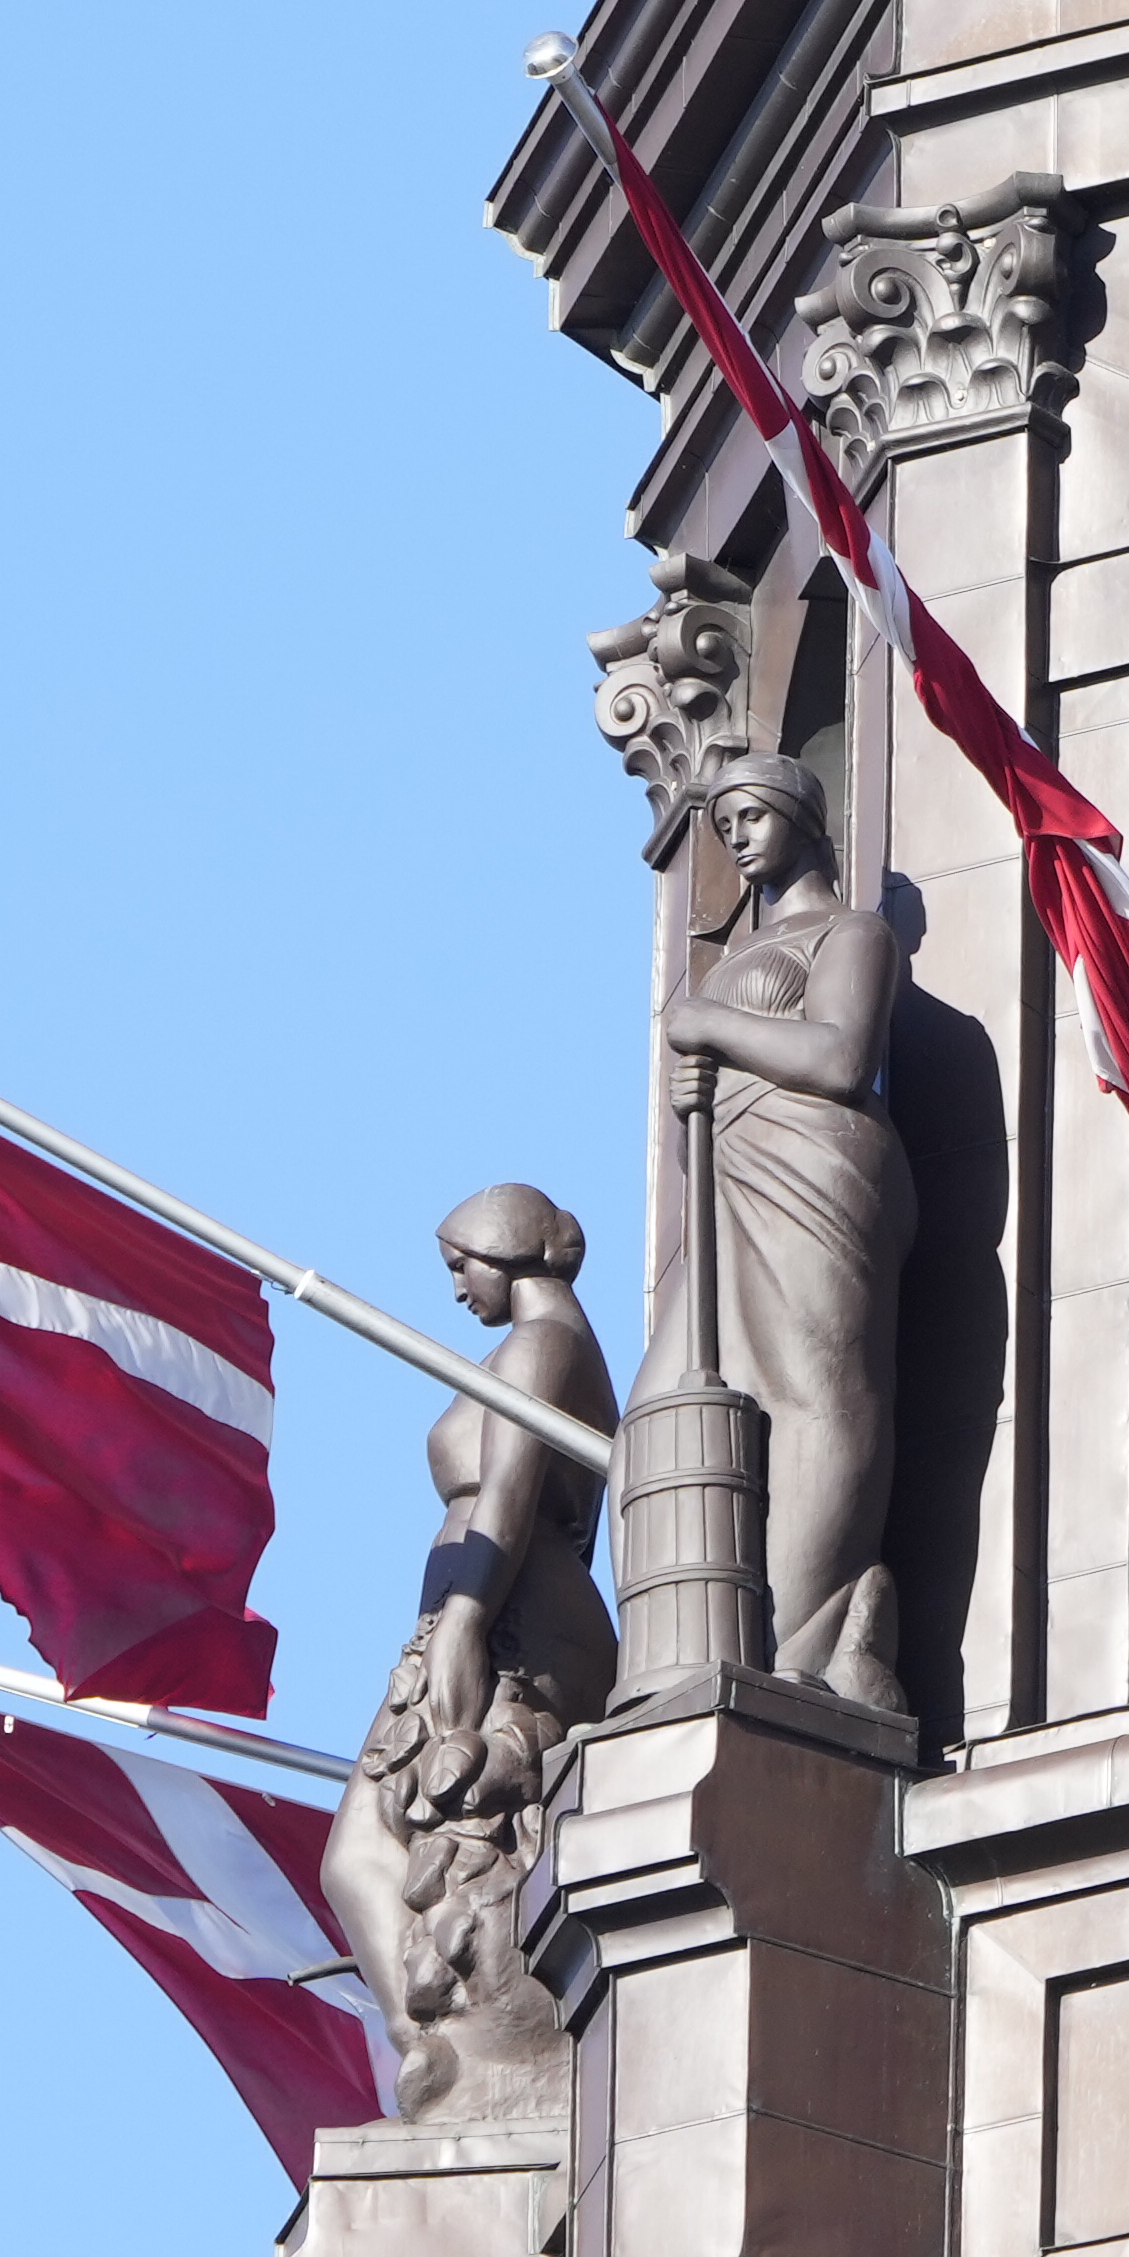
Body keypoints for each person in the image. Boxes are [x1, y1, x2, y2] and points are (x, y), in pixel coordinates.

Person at [322, 1184, 618, 2112]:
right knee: (367, 1856)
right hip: (484, 1606)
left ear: (509, 1247)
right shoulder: (548, 1346)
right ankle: (427, 2045)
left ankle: (447, 2051)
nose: (455, 1288)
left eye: (462, 1264)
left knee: (386, 1853)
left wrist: (463, 1623)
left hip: (505, 1612)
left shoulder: (544, 1344)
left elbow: (509, 1495)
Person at [667, 750, 913, 1712]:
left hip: (821, 1176)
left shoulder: (852, 934)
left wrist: (709, 1030)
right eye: (722, 822)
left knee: (816, 1393)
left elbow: (842, 1056)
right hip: (731, 1190)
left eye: (752, 812)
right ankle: (692, 1644)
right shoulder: (726, 965)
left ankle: (806, 1642)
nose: (734, 832)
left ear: (806, 818)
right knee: (678, 1406)